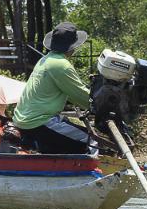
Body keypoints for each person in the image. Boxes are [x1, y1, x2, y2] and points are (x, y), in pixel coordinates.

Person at [12, 23, 93, 154]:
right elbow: (81, 96)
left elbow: (72, 94)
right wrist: (100, 106)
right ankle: (98, 172)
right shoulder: (61, 65)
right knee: (94, 141)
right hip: (39, 122)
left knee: (68, 125)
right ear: (73, 46)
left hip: (23, 120)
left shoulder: (44, 60)